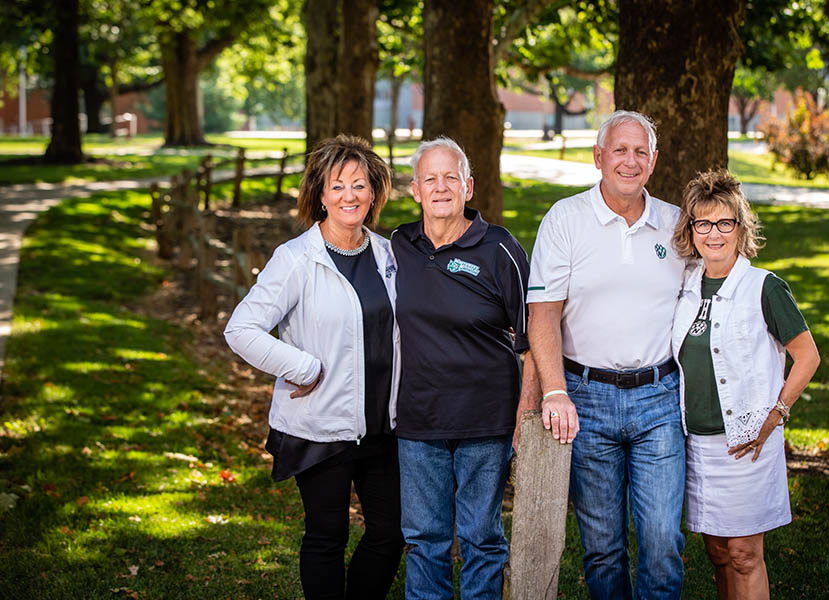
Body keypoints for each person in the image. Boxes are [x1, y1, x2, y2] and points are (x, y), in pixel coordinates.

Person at [223, 135, 405, 600]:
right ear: (320, 195)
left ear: (374, 192)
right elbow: (241, 330)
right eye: (338, 186)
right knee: (327, 538)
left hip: (383, 427)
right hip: (320, 426)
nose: (350, 196)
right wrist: (303, 367)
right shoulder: (295, 260)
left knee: (390, 533)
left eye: (360, 185)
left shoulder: (388, 255)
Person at [520, 110, 687, 599]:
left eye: (640, 152)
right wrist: (554, 390)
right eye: (620, 150)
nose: (630, 161)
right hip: (584, 400)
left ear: (653, 161)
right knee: (602, 547)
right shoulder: (566, 219)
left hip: (659, 399)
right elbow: (543, 314)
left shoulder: (676, 225)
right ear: (599, 157)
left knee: (662, 540)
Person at [391, 137, 530, 599]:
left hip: (485, 420)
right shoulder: (399, 245)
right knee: (425, 541)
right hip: (418, 421)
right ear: (415, 190)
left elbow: (532, 341)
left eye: (451, 177)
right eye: (430, 178)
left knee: (480, 539)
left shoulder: (499, 248)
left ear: (468, 186)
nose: (441, 186)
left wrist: (524, 416)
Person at [671, 168, 819, 599]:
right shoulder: (685, 285)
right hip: (696, 445)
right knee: (717, 552)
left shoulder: (764, 287)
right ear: (691, 229)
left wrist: (776, 414)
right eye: (703, 223)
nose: (713, 233)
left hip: (747, 444)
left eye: (724, 223)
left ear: (740, 227)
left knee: (744, 554)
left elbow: (807, 356)